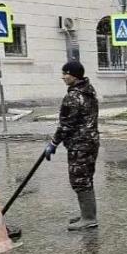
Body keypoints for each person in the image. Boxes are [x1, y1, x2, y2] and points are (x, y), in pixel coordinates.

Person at [44, 61, 100, 230]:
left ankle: (89, 218)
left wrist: (53, 143)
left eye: (65, 74)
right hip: (91, 142)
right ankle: (87, 214)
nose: (63, 77)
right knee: (86, 178)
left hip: (80, 145)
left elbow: (65, 125)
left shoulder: (73, 97)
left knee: (79, 180)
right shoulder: (89, 91)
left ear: (73, 75)